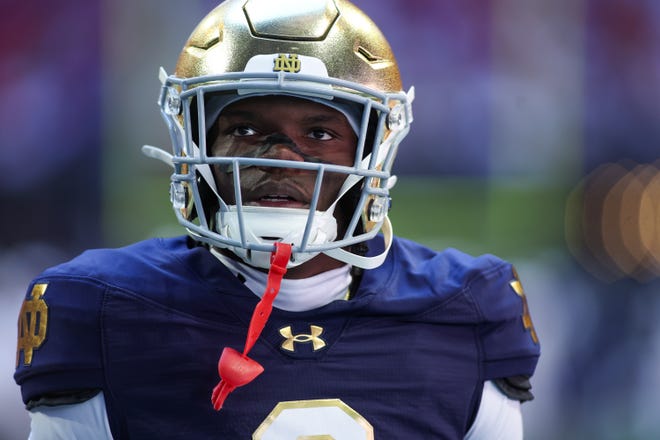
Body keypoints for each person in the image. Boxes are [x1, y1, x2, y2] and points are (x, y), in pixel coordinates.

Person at [14, 0, 540, 438]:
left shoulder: (465, 311)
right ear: (196, 144)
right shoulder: (107, 311)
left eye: (319, 133)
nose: (282, 158)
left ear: (373, 155)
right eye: (244, 129)